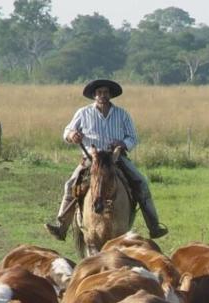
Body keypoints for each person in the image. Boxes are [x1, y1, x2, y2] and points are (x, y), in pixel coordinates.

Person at [45, 79, 168, 240]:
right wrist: (72, 135)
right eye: (99, 93)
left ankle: (154, 226)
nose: (102, 95)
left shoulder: (122, 114)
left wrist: (123, 143)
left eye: (105, 92)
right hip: (92, 158)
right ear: (94, 95)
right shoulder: (83, 113)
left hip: (116, 158)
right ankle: (62, 226)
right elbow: (67, 131)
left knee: (141, 183)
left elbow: (133, 137)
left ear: (110, 95)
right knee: (70, 185)